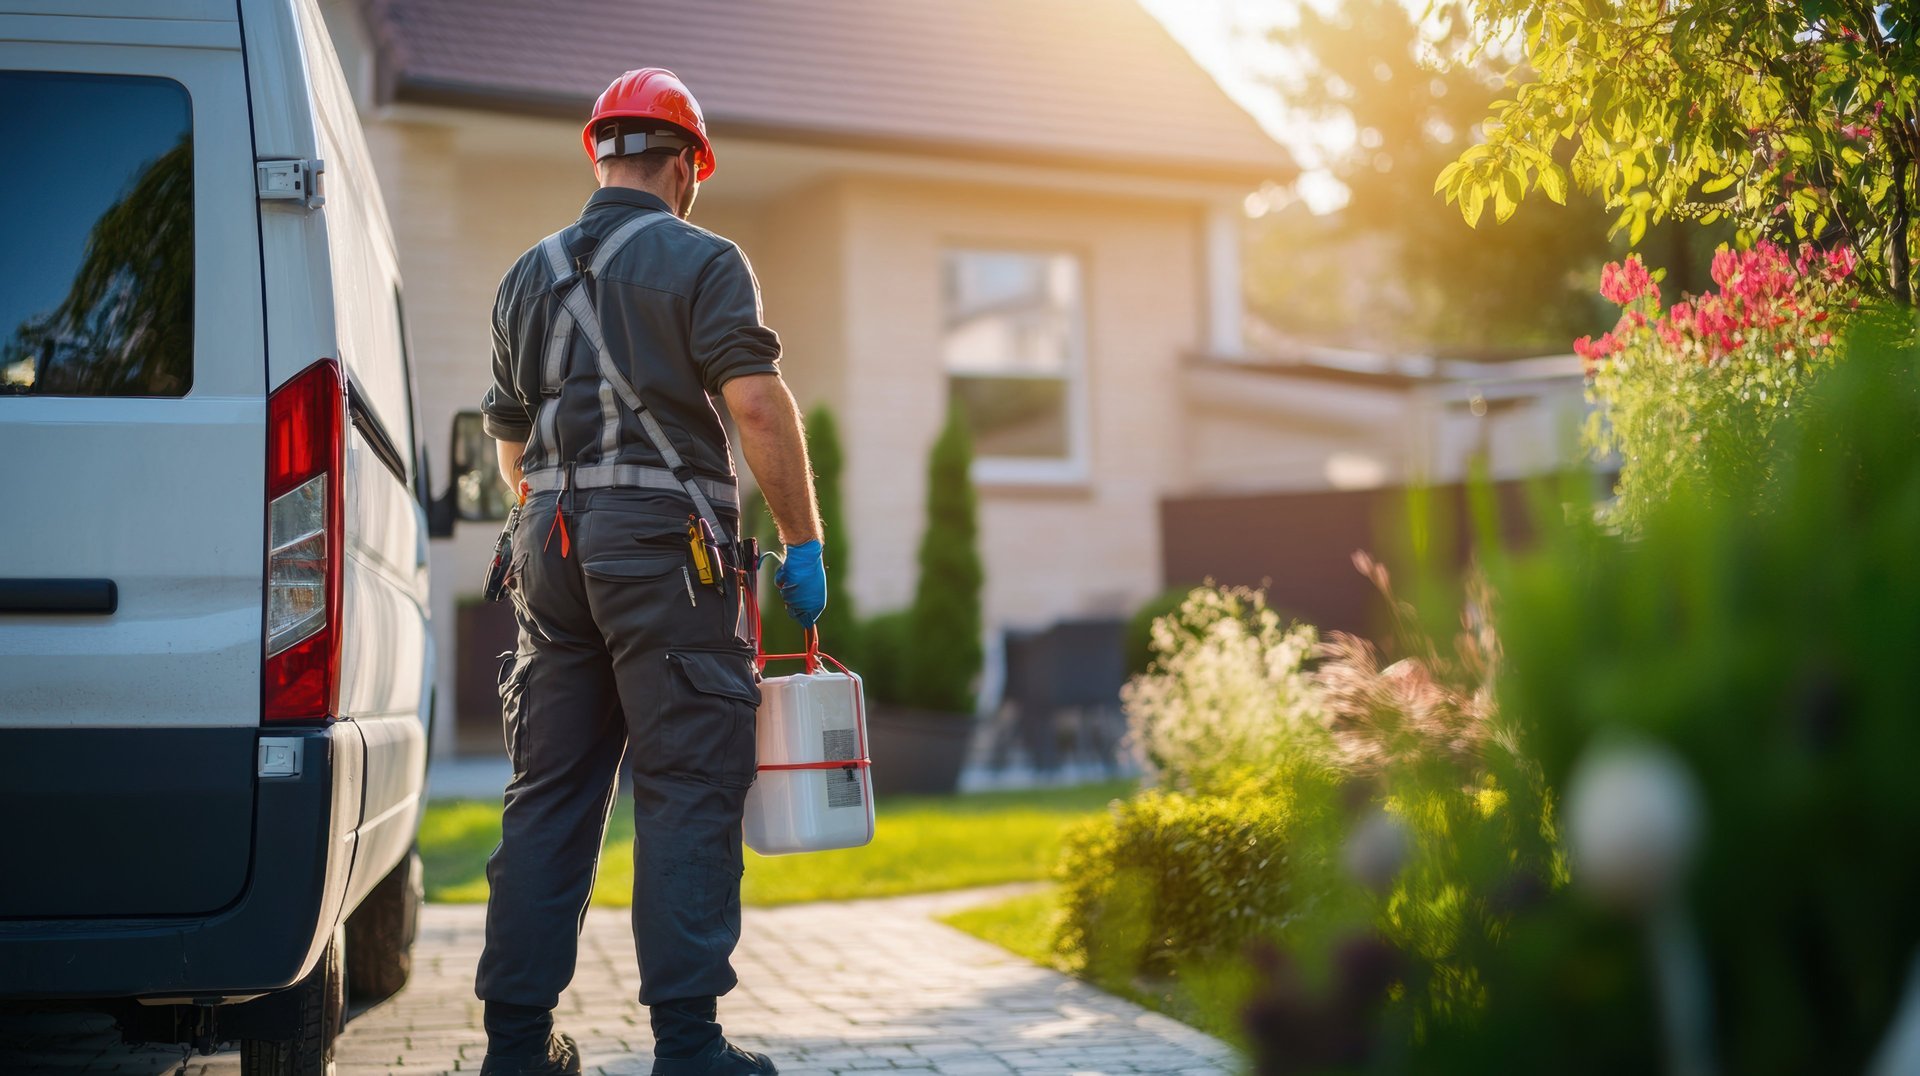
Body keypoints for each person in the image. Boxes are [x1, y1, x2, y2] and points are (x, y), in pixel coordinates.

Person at [473, 67, 827, 1076]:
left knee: (548, 794)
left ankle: (515, 1047)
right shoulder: (705, 259)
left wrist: (558, 513)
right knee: (684, 785)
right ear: (686, 166)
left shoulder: (522, 275)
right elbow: (757, 407)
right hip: (667, 557)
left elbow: (511, 445)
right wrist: (803, 543)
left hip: (547, 547)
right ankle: (689, 1047)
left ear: (600, 154)